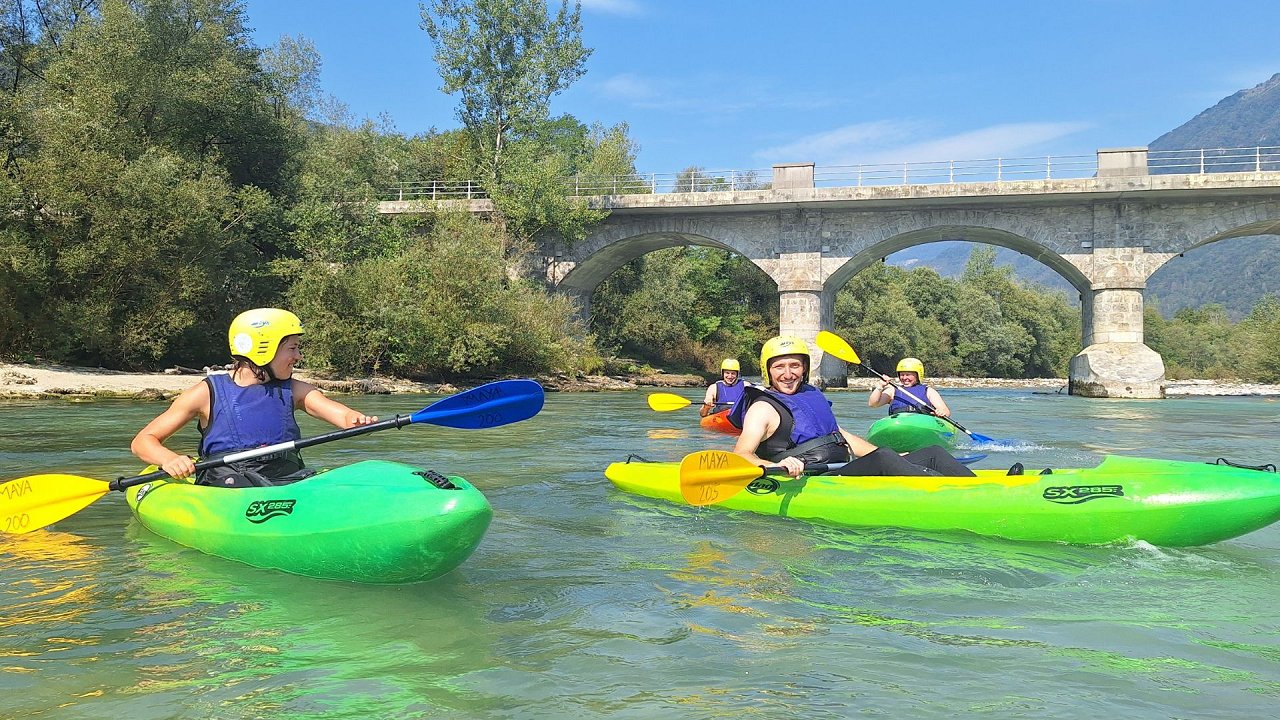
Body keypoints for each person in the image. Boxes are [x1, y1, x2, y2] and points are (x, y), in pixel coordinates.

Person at [131, 308, 378, 487]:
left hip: (286, 478)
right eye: (292, 348)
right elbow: (143, 441)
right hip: (228, 483)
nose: (299, 356)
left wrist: (357, 421)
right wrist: (170, 459)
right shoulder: (206, 393)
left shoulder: (294, 390)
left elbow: (341, 415)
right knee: (237, 482)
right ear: (263, 349)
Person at [729, 336, 973, 478]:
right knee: (884, 458)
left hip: (842, 468)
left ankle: (983, 488)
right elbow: (742, 455)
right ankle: (945, 493)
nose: (788, 374)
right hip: (813, 479)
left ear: (804, 369)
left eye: (795, 365)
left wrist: (900, 459)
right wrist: (778, 466)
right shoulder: (762, 409)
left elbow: (841, 436)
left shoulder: (811, 395)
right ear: (767, 371)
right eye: (779, 367)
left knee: (932, 453)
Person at [867, 357, 952, 418]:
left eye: (908, 375)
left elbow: (946, 412)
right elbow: (873, 404)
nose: (904, 378)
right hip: (898, 423)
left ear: (917, 375)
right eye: (902, 375)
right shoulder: (892, 390)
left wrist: (940, 412)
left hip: (922, 424)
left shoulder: (928, 391)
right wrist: (880, 386)